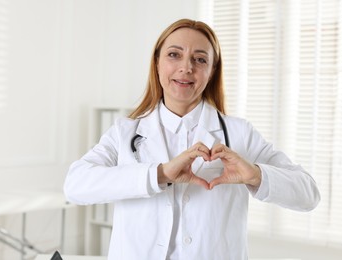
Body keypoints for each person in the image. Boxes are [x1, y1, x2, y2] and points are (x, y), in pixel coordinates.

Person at [64, 19, 320, 260]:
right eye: (174, 54)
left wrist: (255, 174)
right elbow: (75, 186)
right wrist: (159, 174)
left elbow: (309, 195)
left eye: (200, 59)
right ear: (157, 62)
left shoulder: (240, 134)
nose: (186, 67)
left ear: (211, 71)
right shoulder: (126, 132)